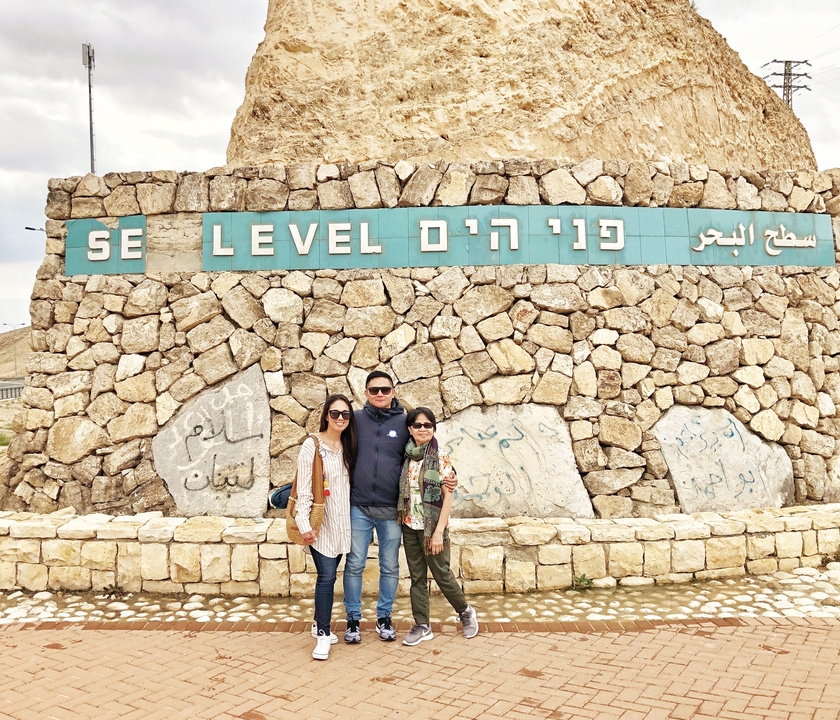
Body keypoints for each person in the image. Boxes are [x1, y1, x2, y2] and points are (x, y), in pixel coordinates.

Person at [343, 371, 458, 643]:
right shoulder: (355, 420)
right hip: (358, 506)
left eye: (385, 389)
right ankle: (353, 620)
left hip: (392, 510)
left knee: (390, 566)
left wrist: (449, 475)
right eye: (374, 390)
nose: (380, 394)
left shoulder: (403, 420)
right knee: (355, 564)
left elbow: (425, 447)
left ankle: (384, 618)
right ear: (366, 393)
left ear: (393, 391)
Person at [397, 406, 478, 645]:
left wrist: (438, 532)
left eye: (428, 425)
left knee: (442, 574)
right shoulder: (407, 455)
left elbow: (448, 495)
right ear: (410, 429)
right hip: (410, 525)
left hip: (434, 528)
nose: (423, 429)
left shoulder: (440, 457)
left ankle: (465, 612)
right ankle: (422, 625)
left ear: (433, 429)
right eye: (418, 425)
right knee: (417, 578)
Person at [295, 394, 356, 661]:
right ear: (326, 415)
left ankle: (317, 622)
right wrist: (304, 524)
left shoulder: (350, 445)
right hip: (322, 524)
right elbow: (304, 488)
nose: (340, 418)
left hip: (345, 523)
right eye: (335, 414)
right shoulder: (313, 445)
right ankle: (322, 634)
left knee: (333, 574)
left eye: (345, 414)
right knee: (327, 578)